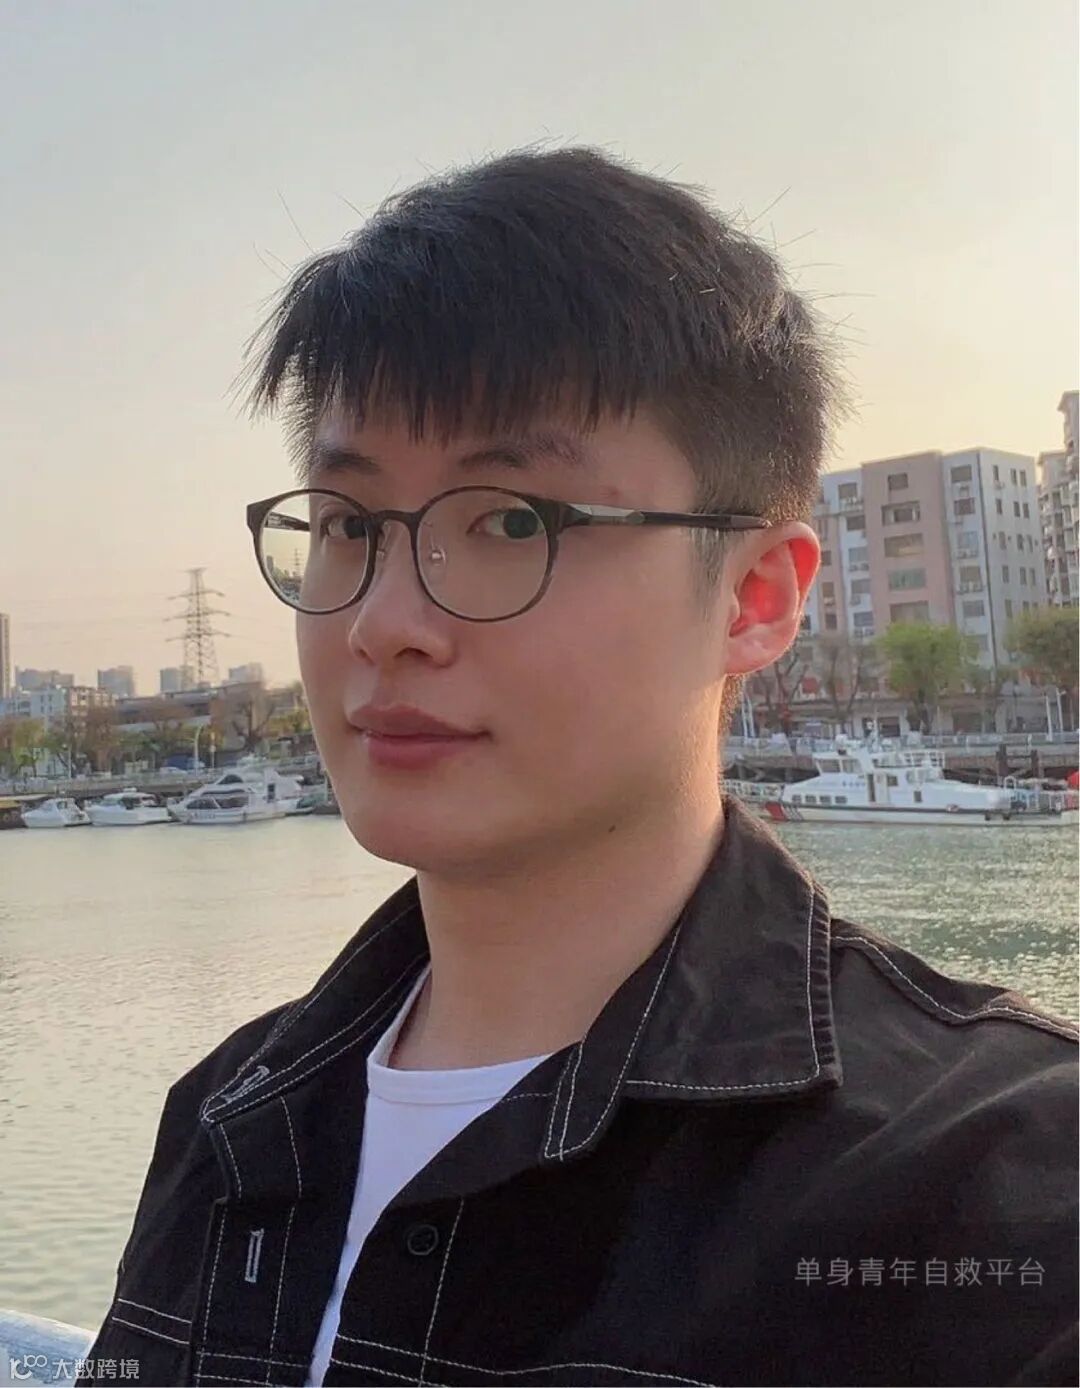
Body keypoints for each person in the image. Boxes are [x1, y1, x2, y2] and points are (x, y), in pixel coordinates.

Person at [76, 147, 1077, 1388]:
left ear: (756, 596)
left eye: (511, 521)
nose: (383, 622)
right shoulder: (227, 1113)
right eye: (347, 525)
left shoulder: (999, 1184)